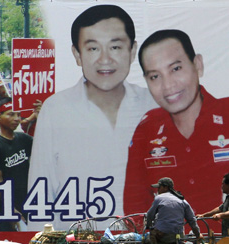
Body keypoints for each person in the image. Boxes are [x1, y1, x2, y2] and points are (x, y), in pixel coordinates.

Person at [123, 29, 229, 232]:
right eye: (155, 76)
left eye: (176, 68)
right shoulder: (147, 128)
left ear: (197, 64)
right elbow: (135, 206)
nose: (168, 85)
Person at [27, 5, 156, 231]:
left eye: (115, 47)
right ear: (77, 55)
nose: (104, 59)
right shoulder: (56, 109)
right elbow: (41, 188)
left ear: (133, 51)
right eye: (93, 48)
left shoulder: (153, 105)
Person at [0, 97, 33, 230]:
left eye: (18, 114)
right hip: (2, 207)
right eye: (10, 114)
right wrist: (10, 209)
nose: (16, 119)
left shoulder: (24, 139)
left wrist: (40, 115)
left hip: (24, 203)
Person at [145, 177, 201, 244]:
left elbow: (150, 215)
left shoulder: (159, 198)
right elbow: (192, 220)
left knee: (147, 240)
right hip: (178, 235)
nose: (158, 190)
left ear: (166, 187)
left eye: (159, 187)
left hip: (162, 235)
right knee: (180, 241)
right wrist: (198, 234)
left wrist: (149, 226)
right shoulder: (182, 200)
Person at [197, 173, 229, 243]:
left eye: (223, 184)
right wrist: (204, 215)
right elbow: (219, 209)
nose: (222, 186)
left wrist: (220, 215)